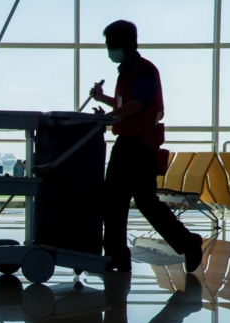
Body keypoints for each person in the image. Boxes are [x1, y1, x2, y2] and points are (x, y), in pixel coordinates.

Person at [90, 20, 203, 274]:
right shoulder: (128, 70)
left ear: (122, 44)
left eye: (110, 44)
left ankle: (119, 256)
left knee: (119, 201)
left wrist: (111, 117)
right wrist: (104, 101)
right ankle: (184, 243)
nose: (108, 49)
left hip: (137, 144)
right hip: (132, 142)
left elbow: (137, 105)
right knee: (141, 200)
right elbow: (127, 104)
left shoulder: (142, 69)